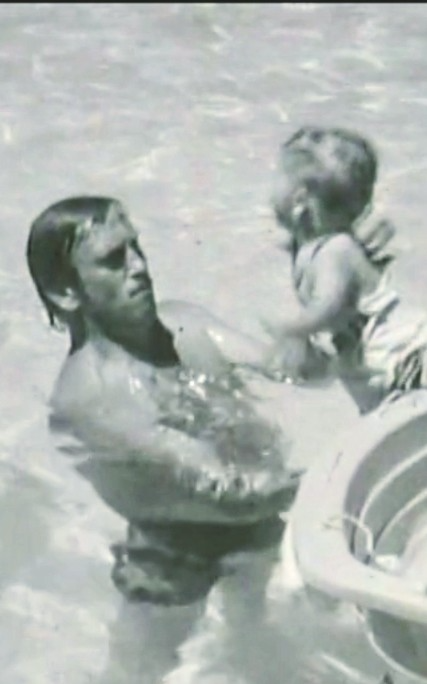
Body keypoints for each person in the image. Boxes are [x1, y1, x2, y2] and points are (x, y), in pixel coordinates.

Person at [26, 196, 296, 605]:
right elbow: (229, 492)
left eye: (137, 247)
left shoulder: (185, 324)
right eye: (114, 260)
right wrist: (320, 480)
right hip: (170, 560)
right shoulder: (94, 398)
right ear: (65, 293)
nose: (139, 266)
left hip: (261, 518)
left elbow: (288, 370)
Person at [264, 125, 427, 413]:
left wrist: (293, 330)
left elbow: (329, 305)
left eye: (276, 179)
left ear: (299, 200)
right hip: (391, 372)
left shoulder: (335, 251)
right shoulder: (313, 249)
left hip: (409, 357)